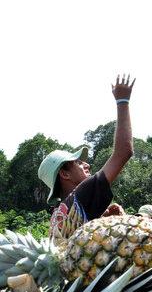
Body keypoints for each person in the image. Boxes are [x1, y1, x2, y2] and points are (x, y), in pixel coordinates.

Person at [38, 74, 135, 239]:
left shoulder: (59, 214)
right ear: (64, 174)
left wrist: (104, 219)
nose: (87, 164)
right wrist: (122, 101)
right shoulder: (81, 194)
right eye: (77, 162)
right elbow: (124, 152)